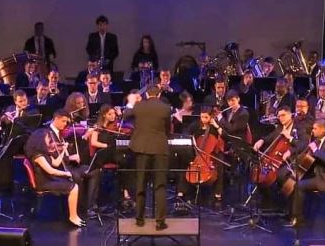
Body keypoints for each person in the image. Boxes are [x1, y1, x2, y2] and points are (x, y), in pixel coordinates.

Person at [24, 109, 85, 227]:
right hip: (44, 182)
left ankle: (73, 214)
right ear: (40, 140)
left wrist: (63, 150)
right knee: (74, 186)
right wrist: (66, 174)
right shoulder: (38, 156)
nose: (50, 141)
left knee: (74, 184)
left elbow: (56, 163)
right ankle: (73, 216)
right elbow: (51, 170)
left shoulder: (45, 153)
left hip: (49, 179)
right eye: (48, 139)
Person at [125, 85, 172, 229]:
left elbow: (125, 116)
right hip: (160, 148)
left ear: (146, 94)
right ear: (159, 95)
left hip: (142, 149)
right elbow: (168, 129)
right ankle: (160, 222)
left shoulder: (138, 106)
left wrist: (131, 102)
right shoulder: (166, 108)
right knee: (160, 185)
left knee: (141, 183)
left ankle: (139, 219)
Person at [290, 119, 325, 226]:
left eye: (315, 128)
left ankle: (297, 218)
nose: (313, 131)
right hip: (319, 175)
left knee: (298, 185)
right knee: (295, 181)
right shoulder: (318, 141)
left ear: (323, 130)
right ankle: (293, 212)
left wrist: (315, 150)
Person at [86, 104, 133, 211]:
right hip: (103, 155)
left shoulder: (116, 126)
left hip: (113, 154)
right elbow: (94, 142)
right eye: (110, 114)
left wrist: (120, 116)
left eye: (114, 114)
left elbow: (127, 128)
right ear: (104, 115)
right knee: (124, 162)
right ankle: (124, 194)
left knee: (126, 162)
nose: (113, 116)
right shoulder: (98, 127)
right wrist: (106, 146)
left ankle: (124, 194)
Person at [177, 106, 224, 202]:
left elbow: (224, 135)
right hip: (196, 153)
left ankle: (217, 193)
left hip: (211, 155)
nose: (203, 119)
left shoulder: (215, 126)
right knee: (185, 163)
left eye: (206, 117)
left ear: (211, 117)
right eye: (202, 117)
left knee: (220, 164)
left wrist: (216, 126)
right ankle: (181, 192)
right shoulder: (196, 125)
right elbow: (186, 133)